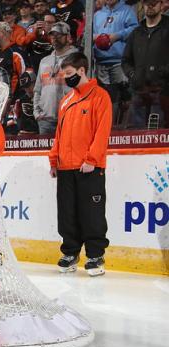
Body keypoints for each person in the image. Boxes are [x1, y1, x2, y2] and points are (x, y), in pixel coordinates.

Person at [48, 52, 111, 277]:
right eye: (64, 74)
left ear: (82, 71)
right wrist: (54, 159)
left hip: (89, 168)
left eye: (70, 74)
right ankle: (70, 252)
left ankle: (95, 256)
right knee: (67, 213)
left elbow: (102, 132)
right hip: (66, 167)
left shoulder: (100, 96)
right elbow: (59, 133)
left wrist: (92, 160)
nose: (66, 78)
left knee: (91, 213)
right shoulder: (66, 101)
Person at [122, 0, 169, 129]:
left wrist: (163, 73)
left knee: (159, 138)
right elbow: (126, 60)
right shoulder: (136, 33)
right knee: (136, 136)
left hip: (163, 93)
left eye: (154, 2)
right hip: (139, 93)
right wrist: (133, 74)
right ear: (142, 5)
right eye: (147, 3)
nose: (150, 6)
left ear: (161, 4)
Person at [92, 0, 138, 125]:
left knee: (123, 97)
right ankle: (106, 125)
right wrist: (95, 37)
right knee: (104, 98)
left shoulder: (127, 10)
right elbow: (88, 33)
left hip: (120, 61)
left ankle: (121, 128)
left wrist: (117, 36)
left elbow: (135, 29)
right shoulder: (97, 14)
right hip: (100, 62)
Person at [33, 22, 78, 134]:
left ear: (68, 37)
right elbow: (38, 90)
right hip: (45, 120)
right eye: (52, 35)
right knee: (45, 152)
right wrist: (37, 113)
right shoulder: (44, 61)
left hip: (68, 118)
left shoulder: (77, 59)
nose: (54, 38)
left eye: (59, 35)